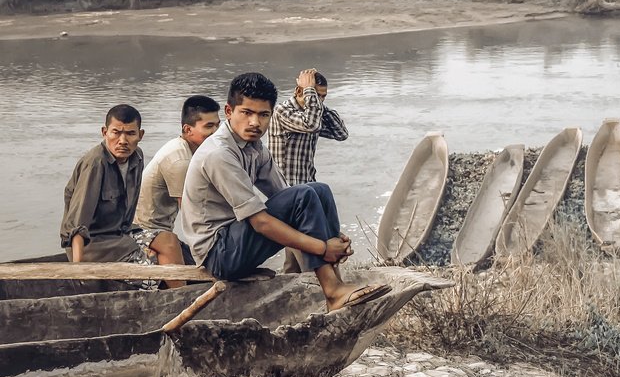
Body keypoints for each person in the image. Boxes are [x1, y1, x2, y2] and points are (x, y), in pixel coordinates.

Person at [181, 72, 389, 311]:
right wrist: (322, 247)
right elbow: (260, 223)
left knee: (317, 190)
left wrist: (331, 235)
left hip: (236, 241)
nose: (255, 123)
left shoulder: (254, 147)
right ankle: (332, 292)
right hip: (219, 254)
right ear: (229, 112)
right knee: (304, 195)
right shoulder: (219, 153)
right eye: (246, 113)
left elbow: (286, 194)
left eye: (263, 115)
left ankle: (336, 281)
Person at [60, 104, 185, 288]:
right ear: (105, 132)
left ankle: (182, 297)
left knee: (170, 241)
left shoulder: (137, 158)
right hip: (94, 245)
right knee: (155, 269)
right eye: (116, 133)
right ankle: (178, 298)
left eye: (130, 134)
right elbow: (77, 225)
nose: (123, 140)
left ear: (140, 135)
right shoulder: (96, 164)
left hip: (121, 234)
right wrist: (78, 268)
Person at [268, 68, 349, 273]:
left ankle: (290, 297)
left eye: (323, 96)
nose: (319, 100)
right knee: (311, 257)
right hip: (288, 193)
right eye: (315, 95)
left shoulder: (313, 110)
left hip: (308, 190)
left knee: (293, 261)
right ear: (299, 91)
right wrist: (310, 91)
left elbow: (341, 133)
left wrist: (317, 101)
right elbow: (311, 125)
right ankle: (331, 290)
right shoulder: (284, 111)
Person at [135, 95, 221, 263]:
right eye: (209, 126)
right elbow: (192, 214)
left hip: (163, 230)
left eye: (218, 125)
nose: (216, 132)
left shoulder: (195, 151)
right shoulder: (180, 160)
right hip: (145, 233)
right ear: (188, 130)